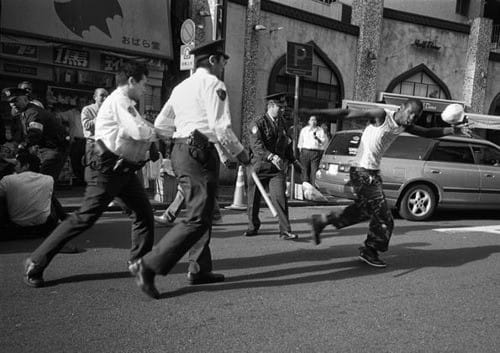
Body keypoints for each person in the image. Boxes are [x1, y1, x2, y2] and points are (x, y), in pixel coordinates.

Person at [128, 40, 251, 299]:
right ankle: (148, 266)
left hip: (181, 151)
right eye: (224, 61)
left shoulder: (181, 87)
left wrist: (180, 138)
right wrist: (242, 154)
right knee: (197, 217)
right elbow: (222, 130)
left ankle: (199, 268)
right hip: (200, 153)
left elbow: (162, 124)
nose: (225, 66)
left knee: (202, 212)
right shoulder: (215, 85)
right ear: (214, 60)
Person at [23, 61, 157, 288]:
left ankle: (138, 263)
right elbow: (139, 130)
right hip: (107, 169)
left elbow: (136, 127)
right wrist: (162, 131)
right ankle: (36, 261)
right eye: (144, 83)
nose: (145, 89)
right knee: (84, 218)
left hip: (123, 169)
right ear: (132, 81)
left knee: (144, 215)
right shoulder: (120, 101)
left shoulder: (127, 103)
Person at [308, 99, 470, 267]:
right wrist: (317, 112)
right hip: (362, 171)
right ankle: (370, 250)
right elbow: (348, 113)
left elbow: (428, 133)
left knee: (365, 210)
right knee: (385, 218)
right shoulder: (381, 115)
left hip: (371, 172)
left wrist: (454, 129)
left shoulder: (404, 126)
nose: (412, 120)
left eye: (416, 117)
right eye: (411, 114)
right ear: (401, 108)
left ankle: (323, 221)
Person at [4, 87, 69, 221]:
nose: (12, 104)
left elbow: (34, 133)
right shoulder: (24, 113)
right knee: (43, 184)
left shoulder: (33, 112)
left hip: (53, 151)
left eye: (15, 100)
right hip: (44, 150)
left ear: (25, 99)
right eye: (10, 102)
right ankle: (63, 217)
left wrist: (23, 146)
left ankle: (56, 218)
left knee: (43, 184)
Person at [243, 92, 301, 240]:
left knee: (280, 198)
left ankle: (285, 230)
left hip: (276, 168)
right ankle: (252, 226)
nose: (283, 109)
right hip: (259, 166)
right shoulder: (257, 123)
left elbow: (286, 144)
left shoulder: (282, 123)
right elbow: (256, 146)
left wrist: (293, 160)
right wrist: (270, 156)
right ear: (271, 106)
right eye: (281, 107)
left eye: (284, 107)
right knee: (253, 199)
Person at [0, 150, 57, 239]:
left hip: (15, 225)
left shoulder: (7, 180)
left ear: (26, 166)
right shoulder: (48, 179)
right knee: (49, 196)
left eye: (17, 164)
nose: (15, 167)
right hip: (43, 226)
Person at [81, 88, 108, 183]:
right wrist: (100, 117)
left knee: (104, 170)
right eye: (102, 95)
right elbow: (87, 125)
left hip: (106, 144)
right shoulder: (87, 109)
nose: (105, 98)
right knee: (93, 169)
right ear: (95, 97)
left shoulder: (109, 111)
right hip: (93, 144)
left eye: (106, 96)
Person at [298, 115, 326, 185]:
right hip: (305, 151)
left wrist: (317, 138)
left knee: (314, 171)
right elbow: (300, 143)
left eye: (314, 120)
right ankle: (305, 188)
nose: (313, 122)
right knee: (305, 171)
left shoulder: (320, 130)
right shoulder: (304, 130)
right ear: (309, 121)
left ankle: (313, 188)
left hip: (315, 152)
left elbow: (323, 142)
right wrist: (301, 152)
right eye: (312, 120)